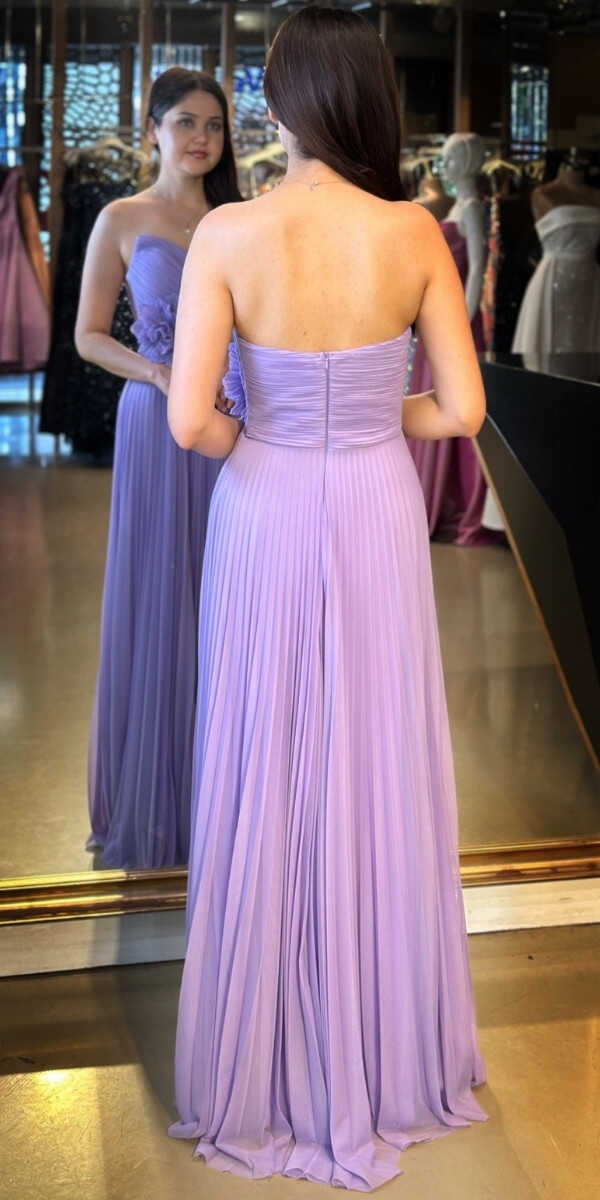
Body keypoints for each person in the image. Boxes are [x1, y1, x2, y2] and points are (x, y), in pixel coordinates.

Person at [168, 9, 487, 1191]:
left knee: (265, 748)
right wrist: (358, 418)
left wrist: (276, 430)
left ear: (275, 100)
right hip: (372, 500)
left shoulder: (229, 233)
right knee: (371, 751)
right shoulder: (414, 232)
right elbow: (461, 410)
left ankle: (260, 1058)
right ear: (369, 98)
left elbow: (190, 421)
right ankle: (384, 1048)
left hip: (263, 500)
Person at [75, 67, 242, 869]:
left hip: (228, 427)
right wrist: (159, 374)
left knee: (224, 596)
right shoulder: (121, 217)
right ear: (153, 130)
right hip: (154, 421)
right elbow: (87, 336)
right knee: (159, 593)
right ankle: (159, 799)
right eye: (185, 122)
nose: (201, 138)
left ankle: (225, 796)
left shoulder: (237, 220)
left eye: (214, 124)